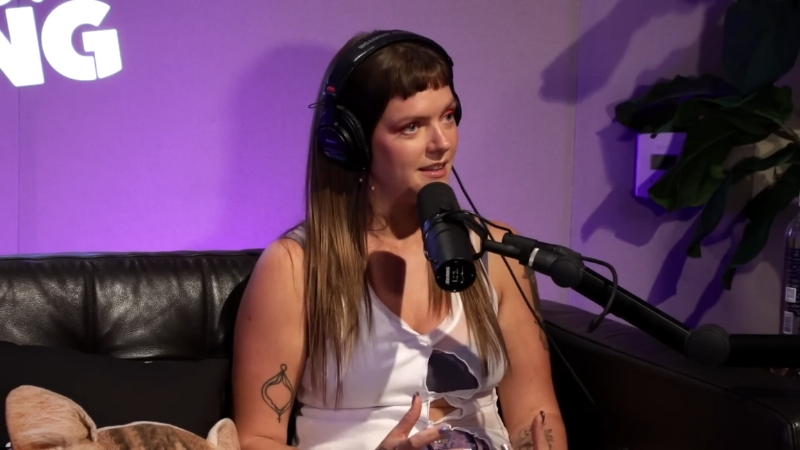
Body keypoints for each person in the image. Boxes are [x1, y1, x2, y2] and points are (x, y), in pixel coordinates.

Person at [231, 29, 567, 450]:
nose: (442, 143)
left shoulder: (498, 251)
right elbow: (257, 438)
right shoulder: (295, 266)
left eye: (448, 116)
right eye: (412, 127)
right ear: (352, 144)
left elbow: (536, 412)